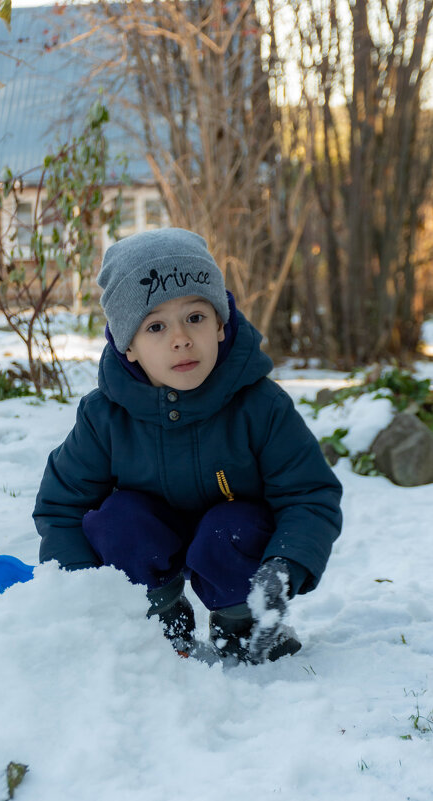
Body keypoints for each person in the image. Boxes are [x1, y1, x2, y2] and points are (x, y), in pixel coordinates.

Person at [33, 228, 343, 664]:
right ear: (129, 346)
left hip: (233, 543)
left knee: (229, 527)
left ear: (220, 324)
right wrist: (83, 591)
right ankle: (158, 623)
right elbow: (60, 507)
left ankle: (242, 625)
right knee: (117, 520)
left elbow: (309, 494)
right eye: (156, 325)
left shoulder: (261, 406)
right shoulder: (104, 417)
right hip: (149, 542)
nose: (180, 338)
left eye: (195, 317)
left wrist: (286, 564)